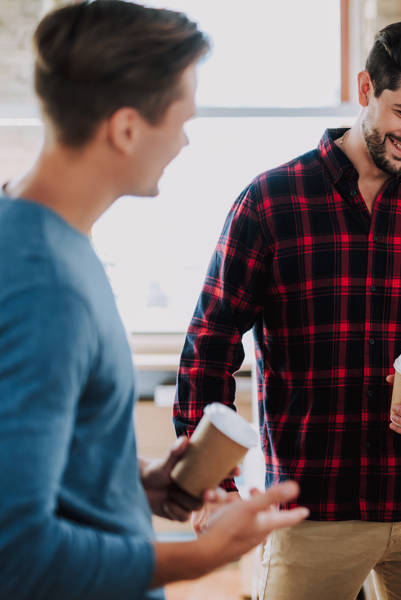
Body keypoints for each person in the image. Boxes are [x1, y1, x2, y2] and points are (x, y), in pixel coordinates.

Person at [174, 21, 401, 600]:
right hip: (314, 509)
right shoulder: (271, 202)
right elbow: (211, 341)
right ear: (364, 88)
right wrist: (212, 483)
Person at [0, 3, 307, 599]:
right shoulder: (46, 287)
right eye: (182, 119)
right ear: (126, 129)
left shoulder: (43, 237)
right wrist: (199, 557)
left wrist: (138, 480)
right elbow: (16, 552)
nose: (186, 139)